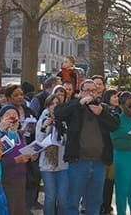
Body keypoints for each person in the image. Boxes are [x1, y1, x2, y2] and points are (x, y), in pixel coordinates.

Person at [54, 79, 120, 215]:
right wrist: (78, 103)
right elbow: (58, 113)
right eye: (87, 90)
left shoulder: (104, 108)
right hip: (78, 162)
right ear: (81, 92)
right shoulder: (74, 107)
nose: (91, 93)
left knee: (95, 201)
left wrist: (101, 113)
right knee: (73, 201)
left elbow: (115, 125)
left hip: (99, 163)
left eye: (93, 90)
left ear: (98, 93)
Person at [0, 104, 33, 215]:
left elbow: (18, 150)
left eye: (14, 114)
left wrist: (31, 154)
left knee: (20, 208)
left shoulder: (18, 134)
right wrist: (16, 160)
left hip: (21, 177)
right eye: (8, 115)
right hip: (6, 178)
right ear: (1, 119)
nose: (12, 117)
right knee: (10, 208)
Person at [36, 94, 69, 215]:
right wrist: (45, 127)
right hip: (47, 164)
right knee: (50, 197)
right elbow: (38, 143)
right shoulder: (42, 121)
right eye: (52, 104)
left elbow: (67, 141)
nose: (54, 106)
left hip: (63, 164)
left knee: (62, 198)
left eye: (57, 104)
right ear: (47, 107)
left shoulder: (65, 121)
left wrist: (60, 126)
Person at [101, 88, 120, 214]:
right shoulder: (104, 110)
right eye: (114, 97)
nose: (117, 99)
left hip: (116, 150)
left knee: (110, 180)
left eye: (117, 97)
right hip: (105, 150)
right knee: (104, 180)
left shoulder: (120, 111)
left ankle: (107, 204)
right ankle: (102, 205)